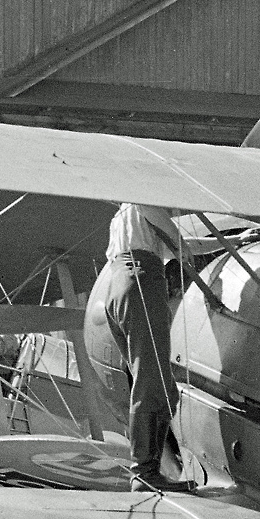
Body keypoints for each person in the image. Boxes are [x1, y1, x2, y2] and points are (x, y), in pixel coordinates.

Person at [84, 203, 194, 493]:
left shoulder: (127, 217)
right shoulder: (143, 200)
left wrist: (232, 242)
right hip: (142, 278)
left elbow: (168, 235)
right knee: (153, 381)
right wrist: (188, 253)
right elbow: (173, 237)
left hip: (119, 284)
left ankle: (148, 470)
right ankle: (145, 472)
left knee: (160, 385)